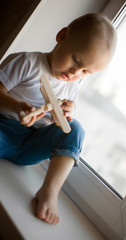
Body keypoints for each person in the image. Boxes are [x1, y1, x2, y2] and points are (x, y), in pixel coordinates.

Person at [0, 13, 116, 225]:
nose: (74, 73)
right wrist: (18, 107)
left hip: (30, 144)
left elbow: (60, 127)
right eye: (76, 60)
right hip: (4, 128)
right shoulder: (28, 62)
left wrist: (64, 115)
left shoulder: (71, 88)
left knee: (75, 129)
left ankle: (49, 189)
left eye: (84, 71)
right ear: (62, 36)